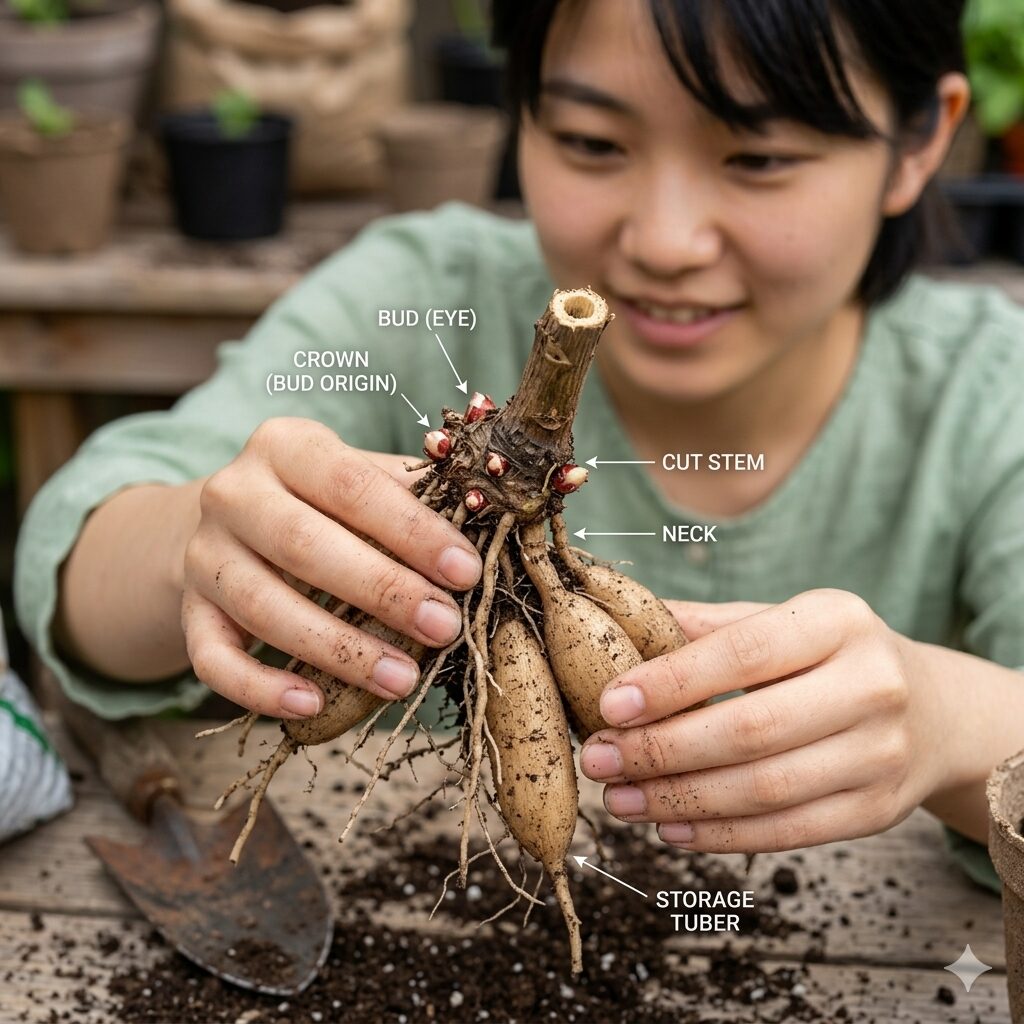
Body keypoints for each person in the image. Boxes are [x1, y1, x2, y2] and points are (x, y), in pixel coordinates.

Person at [14, 0, 1024, 890]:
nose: (666, 241)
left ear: (917, 143)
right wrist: (191, 538)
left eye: (758, 158)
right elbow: (79, 544)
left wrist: (956, 725)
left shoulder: (991, 399)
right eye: (590, 140)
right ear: (522, 114)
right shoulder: (415, 301)